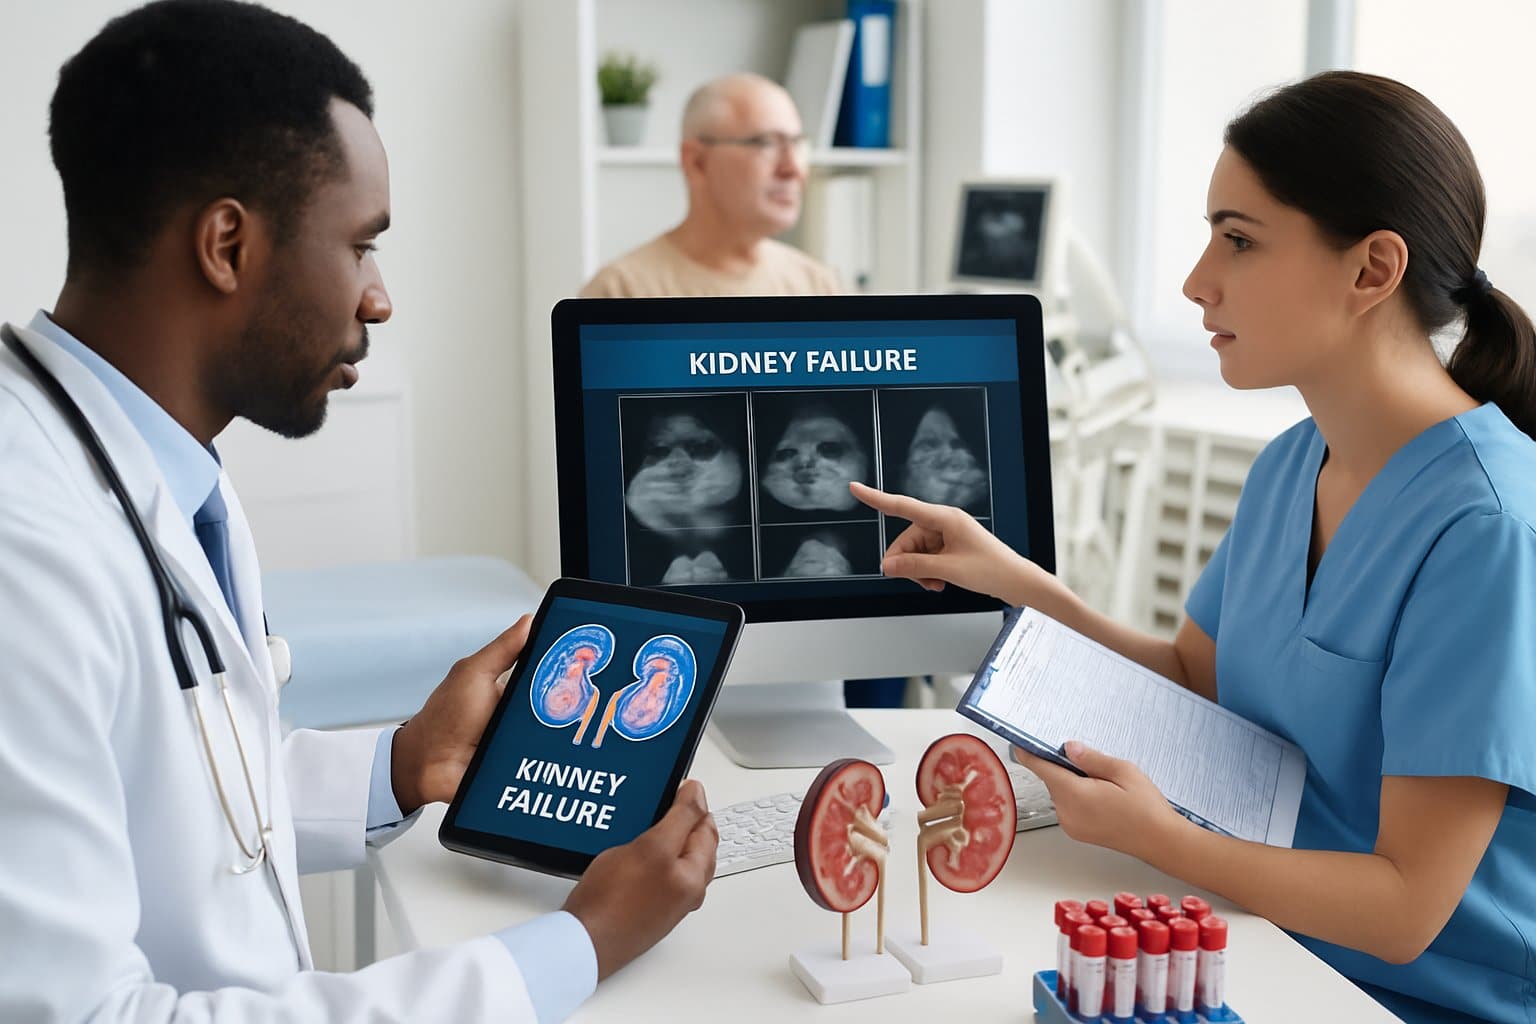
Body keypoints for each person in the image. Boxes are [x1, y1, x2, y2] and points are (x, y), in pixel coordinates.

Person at [0, 3, 716, 1020]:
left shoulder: (154, 467)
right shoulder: (24, 551)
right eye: (361, 245)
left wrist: (401, 761)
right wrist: (576, 944)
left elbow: (173, 793)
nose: (378, 298)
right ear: (227, 245)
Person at [854, 71, 1536, 1024]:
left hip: (1403, 995)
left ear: (1372, 270)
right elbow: (1196, 682)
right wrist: (1014, 580)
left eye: (1239, 239)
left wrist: (1162, 839)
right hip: (1256, 937)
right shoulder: (1294, 463)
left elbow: (1407, 911)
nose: (1195, 281)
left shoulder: (1486, 528)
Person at [578, 72, 841, 298]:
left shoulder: (819, 287)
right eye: (765, 143)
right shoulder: (621, 293)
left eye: (797, 145)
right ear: (697, 163)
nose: (792, 168)